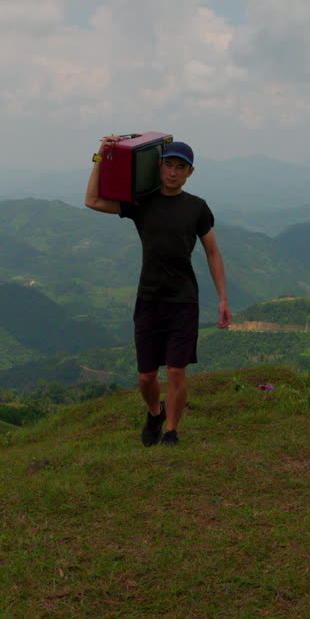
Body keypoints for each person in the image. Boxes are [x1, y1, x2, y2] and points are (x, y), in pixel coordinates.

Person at [84, 135, 231, 447]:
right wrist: (99, 156)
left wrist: (222, 299)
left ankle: (171, 432)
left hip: (183, 300)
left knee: (176, 373)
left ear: (190, 172)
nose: (173, 172)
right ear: (159, 166)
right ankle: (155, 412)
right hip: (149, 299)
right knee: (146, 377)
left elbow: (213, 253)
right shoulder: (142, 203)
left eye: (181, 167)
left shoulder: (197, 208)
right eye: (169, 165)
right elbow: (93, 201)